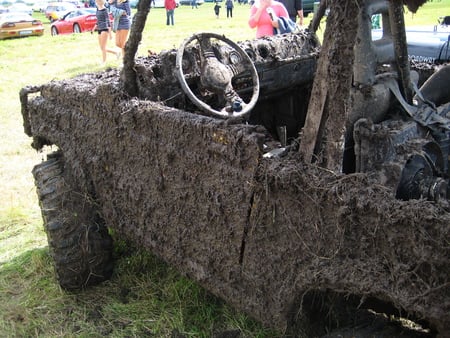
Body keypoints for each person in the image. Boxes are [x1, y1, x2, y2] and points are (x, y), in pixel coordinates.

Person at [92, 0, 120, 64]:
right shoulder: (97, 9)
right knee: (102, 48)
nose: (97, 2)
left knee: (103, 47)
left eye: (98, 1)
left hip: (104, 29)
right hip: (99, 29)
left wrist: (110, 34)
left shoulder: (105, 10)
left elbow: (108, 22)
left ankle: (104, 62)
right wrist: (93, 28)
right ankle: (116, 53)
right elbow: (98, 21)